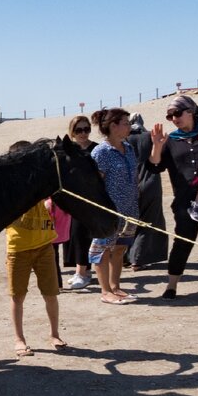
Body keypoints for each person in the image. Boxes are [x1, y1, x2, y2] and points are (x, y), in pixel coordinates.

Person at [146, 94, 198, 300]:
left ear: (191, 112)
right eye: (170, 116)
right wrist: (157, 145)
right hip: (184, 200)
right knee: (182, 241)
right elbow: (154, 167)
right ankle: (172, 286)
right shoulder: (171, 140)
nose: (174, 118)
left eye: (177, 113)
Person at [5, 141, 68, 355]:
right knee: (17, 296)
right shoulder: (9, 186)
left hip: (44, 245)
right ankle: (19, 339)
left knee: (51, 293)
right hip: (18, 247)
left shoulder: (40, 181)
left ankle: (55, 333)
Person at [89, 108, 139, 305]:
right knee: (103, 249)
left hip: (130, 208)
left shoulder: (129, 148)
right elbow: (95, 184)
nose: (129, 126)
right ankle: (105, 290)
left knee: (120, 249)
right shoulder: (101, 152)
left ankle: (116, 286)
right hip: (108, 211)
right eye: (125, 123)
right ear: (113, 126)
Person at [126, 113, 168, 269]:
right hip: (150, 183)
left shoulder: (124, 140)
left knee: (129, 224)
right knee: (148, 222)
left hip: (130, 187)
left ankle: (128, 257)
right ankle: (137, 259)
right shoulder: (149, 137)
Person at [63, 115, 97, 289]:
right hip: (74, 200)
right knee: (76, 236)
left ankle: (82, 273)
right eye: (79, 130)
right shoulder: (70, 150)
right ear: (72, 132)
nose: (83, 133)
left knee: (83, 235)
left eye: (86, 129)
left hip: (92, 200)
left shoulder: (97, 149)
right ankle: (81, 271)